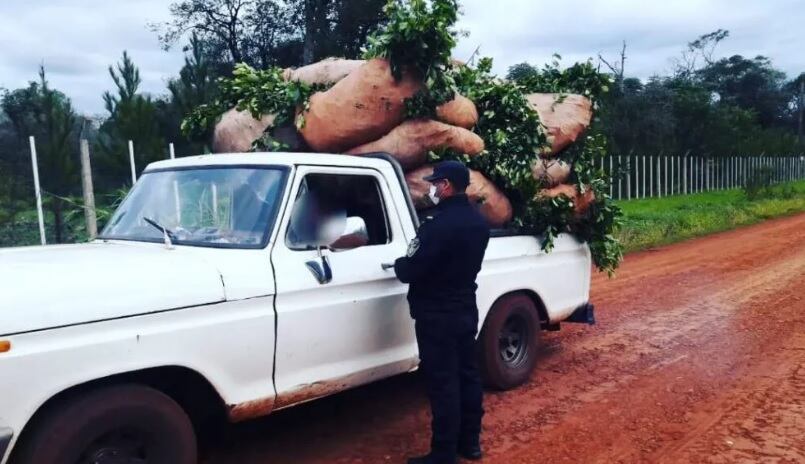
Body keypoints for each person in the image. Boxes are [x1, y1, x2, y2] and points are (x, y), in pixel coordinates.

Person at [393, 160, 491, 464]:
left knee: (443, 382)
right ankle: (470, 444)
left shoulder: (437, 226)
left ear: (446, 186)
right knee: (468, 376)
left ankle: (443, 452)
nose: (432, 189)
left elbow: (410, 270)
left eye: (435, 184)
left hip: (437, 316)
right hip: (464, 310)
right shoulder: (479, 223)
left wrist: (398, 264)